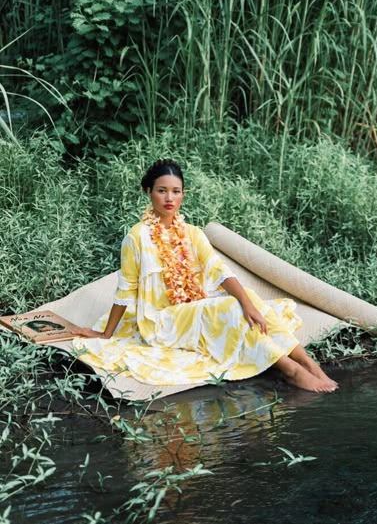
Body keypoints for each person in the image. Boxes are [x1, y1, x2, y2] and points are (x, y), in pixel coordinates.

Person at [73, 159, 338, 393]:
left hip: (193, 306)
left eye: (176, 191)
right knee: (227, 308)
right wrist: (106, 334)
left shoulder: (193, 234)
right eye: (162, 190)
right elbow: (126, 289)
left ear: (183, 195)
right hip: (161, 322)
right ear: (149, 192)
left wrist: (248, 304)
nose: (169, 198)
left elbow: (220, 272)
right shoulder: (136, 237)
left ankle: (307, 363)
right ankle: (290, 371)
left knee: (251, 301)